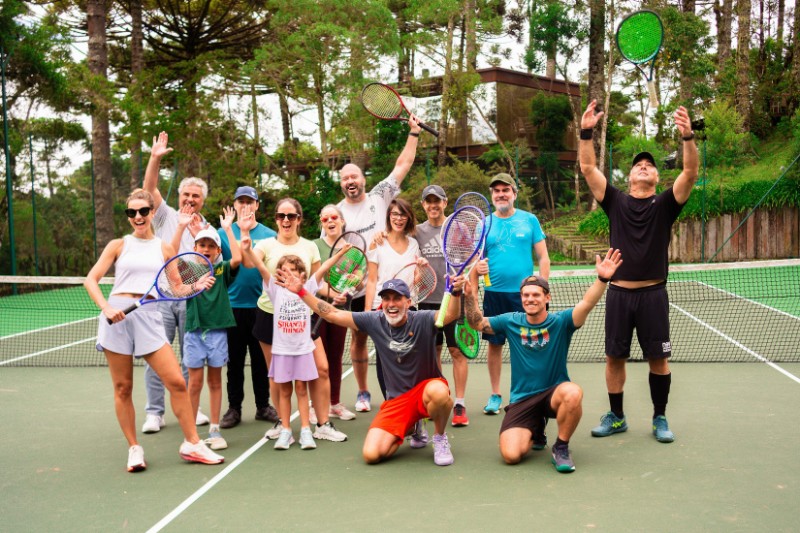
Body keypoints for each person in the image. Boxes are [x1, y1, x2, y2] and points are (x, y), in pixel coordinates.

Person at [578, 100, 698, 443]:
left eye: (649, 165)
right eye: (638, 165)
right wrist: (586, 131)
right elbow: (588, 167)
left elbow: (689, 173)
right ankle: (616, 417)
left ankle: (660, 417)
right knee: (614, 357)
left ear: (657, 177)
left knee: (658, 359)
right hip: (618, 294)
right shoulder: (615, 201)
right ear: (629, 177)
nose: (643, 166)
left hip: (653, 295)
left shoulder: (665, 204)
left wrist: (687, 137)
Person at [84, 189, 224, 472]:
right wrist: (106, 308)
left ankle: (192, 443)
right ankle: (134, 448)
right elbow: (91, 279)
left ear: (151, 212)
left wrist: (194, 286)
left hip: (149, 317)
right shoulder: (117, 245)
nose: (138, 217)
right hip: (117, 317)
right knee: (123, 387)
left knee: (176, 381)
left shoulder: (164, 247)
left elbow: (175, 286)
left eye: (143, 211)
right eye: (132, 212)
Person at [279, 272, 466, 466]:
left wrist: (457, 292)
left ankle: (439, 437)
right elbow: (333, 314)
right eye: (386, 299)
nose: (391, 304)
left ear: (408, 302)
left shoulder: (423, 319)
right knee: (372, 454)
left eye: (397, 299)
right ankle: (412, 426)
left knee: (439, 392)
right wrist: (301, 291)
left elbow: (451, 314)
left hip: (426, 391)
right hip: (397, 402)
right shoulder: (374, 320)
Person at [464, 249, 623, 473]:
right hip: (522, 399)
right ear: (521, 298)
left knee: (573, 393)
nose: (530, 299)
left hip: (553, 395)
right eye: (526, 295)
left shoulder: (561, 322)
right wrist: (469, 296)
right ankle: (536, 428)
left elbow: (586, 303)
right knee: (511, 455)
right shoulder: (510, 321)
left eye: (536, 295)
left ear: (547, 297)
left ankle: (561, 446)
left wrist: (603, 279)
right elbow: (476, 323)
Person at [337, 115, 422, 413]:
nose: (351, 182)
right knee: (358, 342)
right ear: (341, 184)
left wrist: (413, 133)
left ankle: (407, 394)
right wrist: (351, 283)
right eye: (345, 178)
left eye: (355, 177)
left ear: (363, 179)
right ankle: (363, 392)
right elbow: (334, 253)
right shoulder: (335, 214)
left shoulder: (380, 196)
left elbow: (402, 166)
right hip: (356, 290)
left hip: (388, 290)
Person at [245, 199, 347, 443]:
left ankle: (322, 424)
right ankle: (284, 424)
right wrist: (244, 236)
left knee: (321, 369)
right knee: (277, 376)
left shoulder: (309, 246)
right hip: (269, 317)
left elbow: (317, 283)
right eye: (281, 216)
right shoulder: (265, 244)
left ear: (299, 219)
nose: (286, 220)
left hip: (304, 317)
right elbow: (253, 264)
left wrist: (334, 295)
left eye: (291, 216)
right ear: (276, 219)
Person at [141, 132, 210, 432]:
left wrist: (195, 236)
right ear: (179, 197)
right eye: (186, 195)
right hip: (161, 299)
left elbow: (207, 266)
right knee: (156, 356)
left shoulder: (207, 229)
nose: (190, 199)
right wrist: (155, 158)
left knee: (190, 359)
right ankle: (154, 413)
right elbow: (148, 189)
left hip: (190, 300)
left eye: (196, 196)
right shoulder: (164, 214)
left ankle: (188, 410)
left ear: (202, 200)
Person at [474, 173, 550, 415]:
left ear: (514, 194)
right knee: (494, 345)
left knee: (530, 345)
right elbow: (476, 261)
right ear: (492, 195)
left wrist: (542, 287)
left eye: (505, 189)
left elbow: (543, 257)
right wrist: (478, 268)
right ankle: (496, 394)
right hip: (494, 294)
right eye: (496, 190)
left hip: (525, 298)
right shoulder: (484, 223)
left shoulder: (529, 220)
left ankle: (529, 392)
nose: (501, 194)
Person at [174, 206, 240, 451]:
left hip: (218, 333)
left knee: (214, 382)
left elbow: (239, 258)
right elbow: (171, 259)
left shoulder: (222, 271)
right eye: (201, 245)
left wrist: (226, 230)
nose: (206, 249)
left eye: (211, 246)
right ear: (194, 249)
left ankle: (214, 428)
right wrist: (184, 228)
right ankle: (191, 433)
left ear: (217, 251)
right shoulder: (188, 270)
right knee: (194, 382)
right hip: (194, 332)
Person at [217, 186, 279, 429]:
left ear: (256, 206)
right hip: (231, 307)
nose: (245, 206)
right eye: (240, 201)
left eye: (249, 202)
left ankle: (263, 406)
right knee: (234, 361)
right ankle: (234, 408)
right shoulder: (222, 233)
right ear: (235, 205)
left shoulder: (270, 234)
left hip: (261, 306)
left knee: (261, 360)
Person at [415, 184, 471, 427]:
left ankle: (459, 403)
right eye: (428, 201)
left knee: (457, 351)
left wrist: (465, 277)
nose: (433, 205)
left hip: (455, 299)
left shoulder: (458, 227)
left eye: (437, 201)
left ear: (445, 202)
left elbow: (473, 255)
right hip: (427, 300)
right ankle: (441, 397)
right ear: (423, 205)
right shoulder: (416, 232)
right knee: (433, 352)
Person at [312, 204, 357, 421]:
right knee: (317, 360)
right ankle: (315, 404)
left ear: (341, 221)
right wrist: (330, 295)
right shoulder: (314, 246)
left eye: (334, 217)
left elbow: (355, 279)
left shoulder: (352, 251)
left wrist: (344, 293)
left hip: (340, 311)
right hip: (316, 311)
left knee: (336, 357)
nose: (330, 221)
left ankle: (334, 403)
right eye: (325, 219)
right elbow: (313, 280)